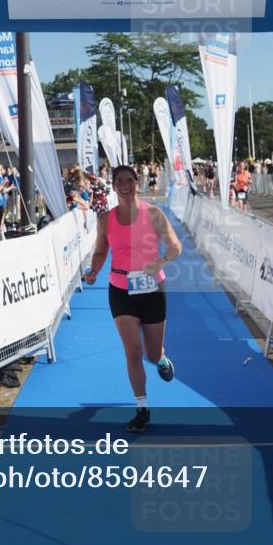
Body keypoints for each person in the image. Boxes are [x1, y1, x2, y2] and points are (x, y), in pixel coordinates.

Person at [84, 165, 182, 433]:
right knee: (133, 351)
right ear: (114, 186)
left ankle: (161, 359)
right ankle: (142, 409)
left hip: (152, 289)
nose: (125, 186)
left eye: (130, 180)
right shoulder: (106, 219)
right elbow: (101, 252)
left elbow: (176, 247)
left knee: (152, 352)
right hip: (120, 289)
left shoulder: (154, 214)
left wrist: (160, 261)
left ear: (138, 183)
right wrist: (93, 271)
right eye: (120, 181)